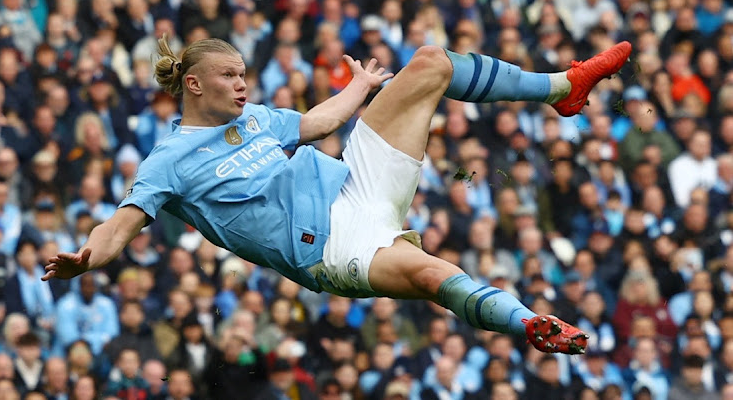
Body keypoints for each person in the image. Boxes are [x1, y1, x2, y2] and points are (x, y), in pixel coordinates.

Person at [43, 36, 633, 354]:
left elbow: (319, 123)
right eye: (229, 75)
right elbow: (118, 226)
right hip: (328, 246)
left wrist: (360, 87)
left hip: (353, 184)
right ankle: (532, 325)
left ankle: (562, 86)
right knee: (433, 276)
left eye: (244, 72)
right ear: (193, 84)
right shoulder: (168, 161)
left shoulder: (255, 120)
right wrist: (86, 259)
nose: (242, 82)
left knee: (429, 62)